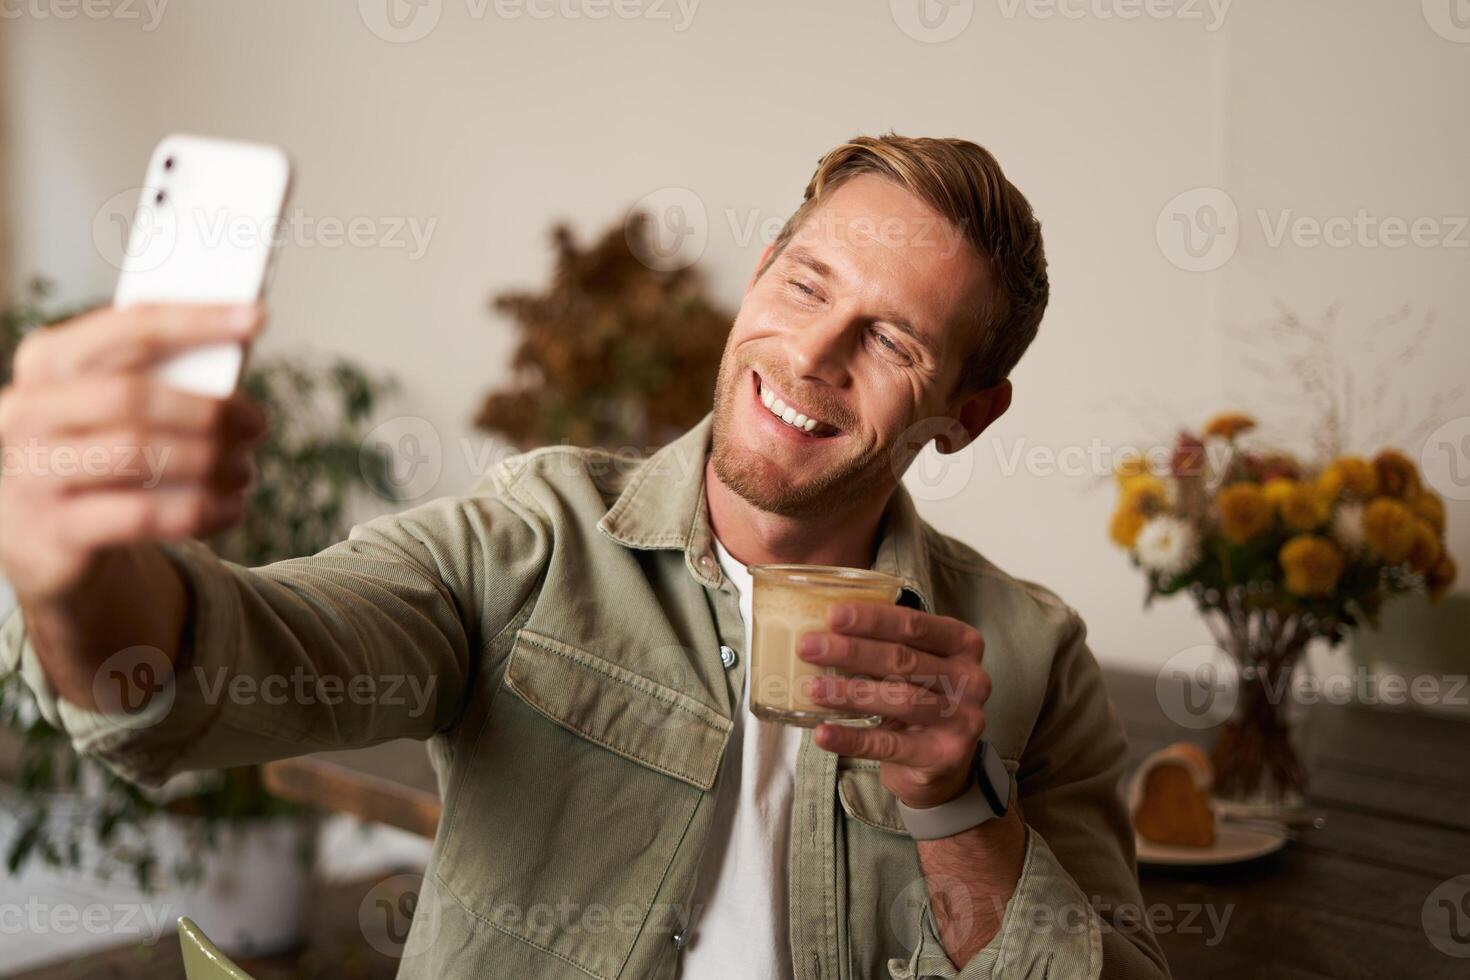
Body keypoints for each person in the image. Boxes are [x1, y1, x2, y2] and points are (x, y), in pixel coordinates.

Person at [0, 134, 1171, 980]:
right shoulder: (530, 538)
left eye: (892, 339)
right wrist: (74, 568)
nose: (813, 351)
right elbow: (218, 669)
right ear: (761, 270)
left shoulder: (1031, 657)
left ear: (967, 411)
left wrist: (957, 806)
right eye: (805, 283)